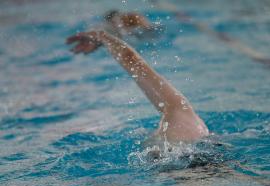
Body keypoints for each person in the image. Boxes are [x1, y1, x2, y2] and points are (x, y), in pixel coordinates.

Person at [66, 30, 209, 143]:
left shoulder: (177, 121)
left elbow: (132, 62)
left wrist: (103, 36)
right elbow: (133, 61)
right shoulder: (193, 127)